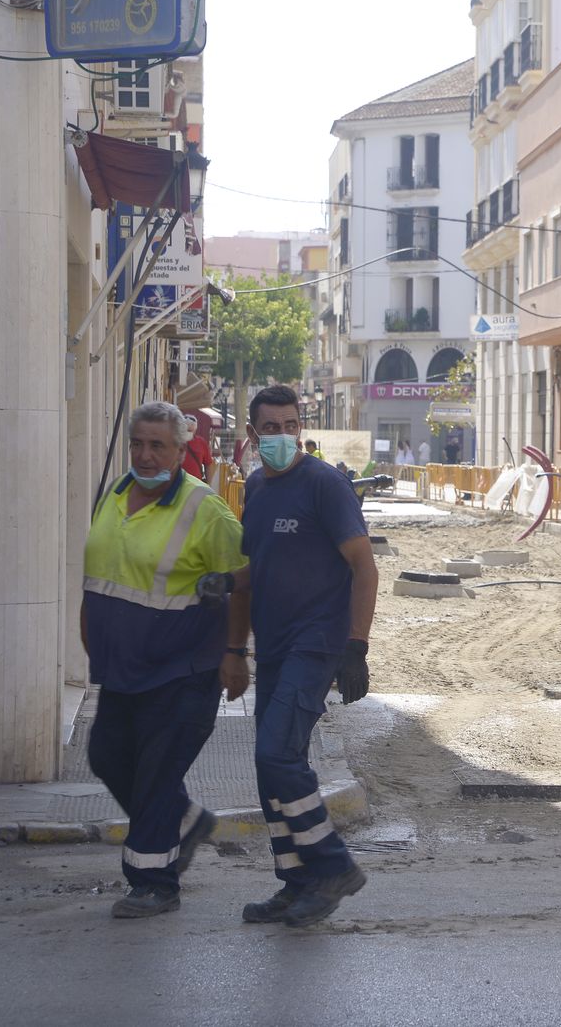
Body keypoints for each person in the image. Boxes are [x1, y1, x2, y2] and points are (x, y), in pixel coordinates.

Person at [212, 384, 378, 927]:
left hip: (317, 643)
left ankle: (331, 865)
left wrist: (356, 645)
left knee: (277, 756)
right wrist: (225, 589)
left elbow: (364, 565)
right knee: (273, 768)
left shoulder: (324, 485)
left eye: (290, 425)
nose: (282, 436)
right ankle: (297, 881)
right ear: (253, 434)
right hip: (275, 646)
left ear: (300, 428)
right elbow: (261, 568)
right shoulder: (256, 488)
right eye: (271, 428)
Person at [81, 401, 249, 919]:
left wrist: (234, 654)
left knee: (154, 776)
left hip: (183, 670)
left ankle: (154, 883)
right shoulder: (113, 494)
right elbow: (100, 575)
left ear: (181, 451)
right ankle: (185, 822)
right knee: (107, 757)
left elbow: (243, 580)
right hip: (122, 669)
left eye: (158, 445)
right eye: (138, 443)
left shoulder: (205, 509)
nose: (145, 455)